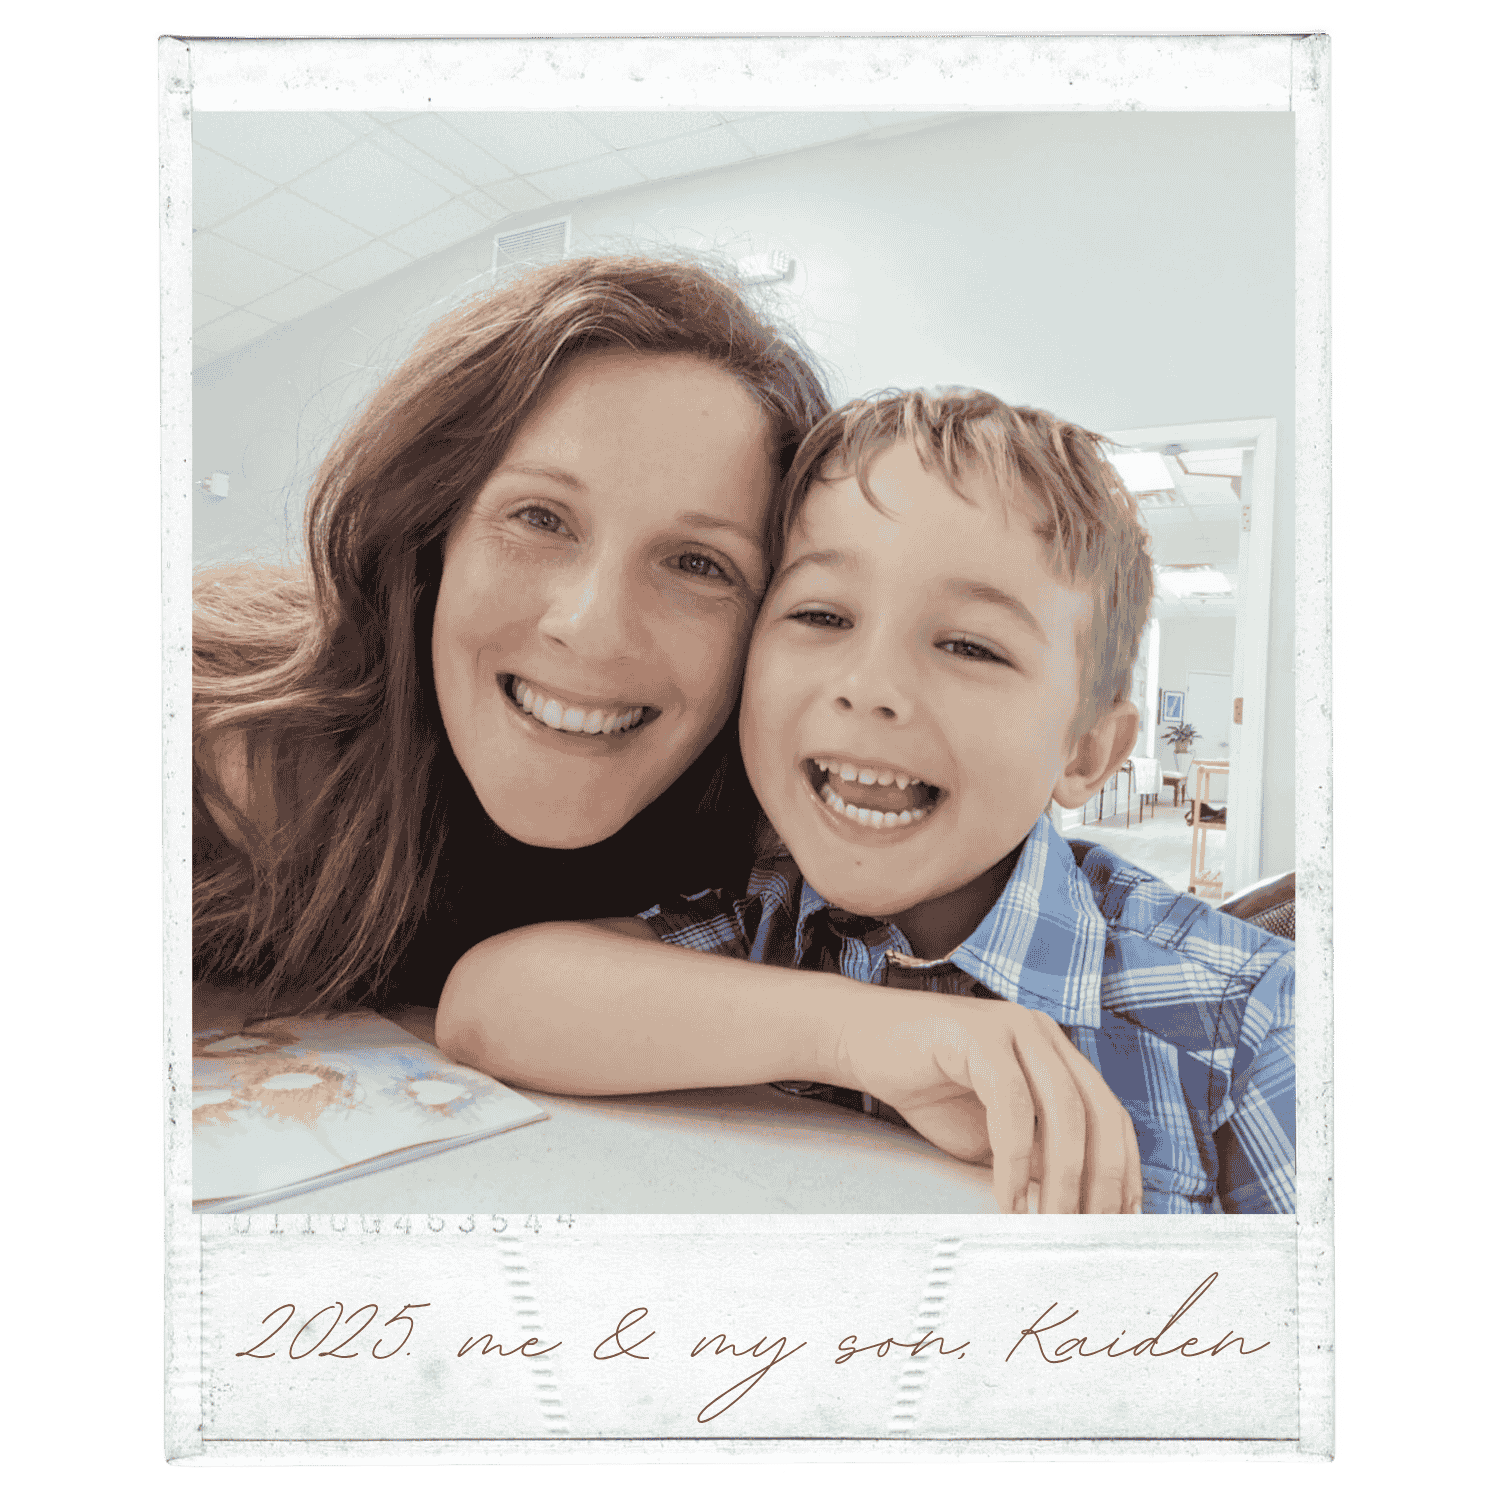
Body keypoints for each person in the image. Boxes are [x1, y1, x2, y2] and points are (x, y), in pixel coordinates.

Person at [195, 256, 1140, 1212]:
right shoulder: (228, 748)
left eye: (698, 562)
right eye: (538, 516)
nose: (593, 624)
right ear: (431, 536)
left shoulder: (777, 853)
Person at [438, 389, 1295, 1214]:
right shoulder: (761, 924)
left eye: (969, 645)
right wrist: (871, 1035)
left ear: (1086, 751)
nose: (870, 686)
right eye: (819, 615)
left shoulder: (1251, 1020)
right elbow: (489, 1005)